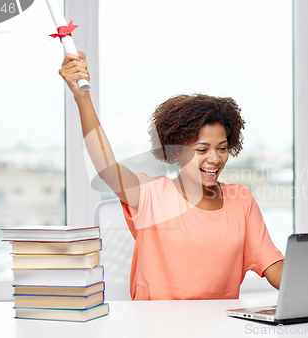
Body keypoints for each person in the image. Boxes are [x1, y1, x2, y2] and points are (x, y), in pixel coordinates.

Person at [59, 50, 284, 300]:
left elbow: (271, 264)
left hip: (220, 328)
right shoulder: (150, 195)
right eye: (201, 150)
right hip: (157, 329)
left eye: (222, 148)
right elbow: (106, 167)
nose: (215, 158)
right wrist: (82, 98)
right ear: (176, 153)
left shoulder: (240, 199)